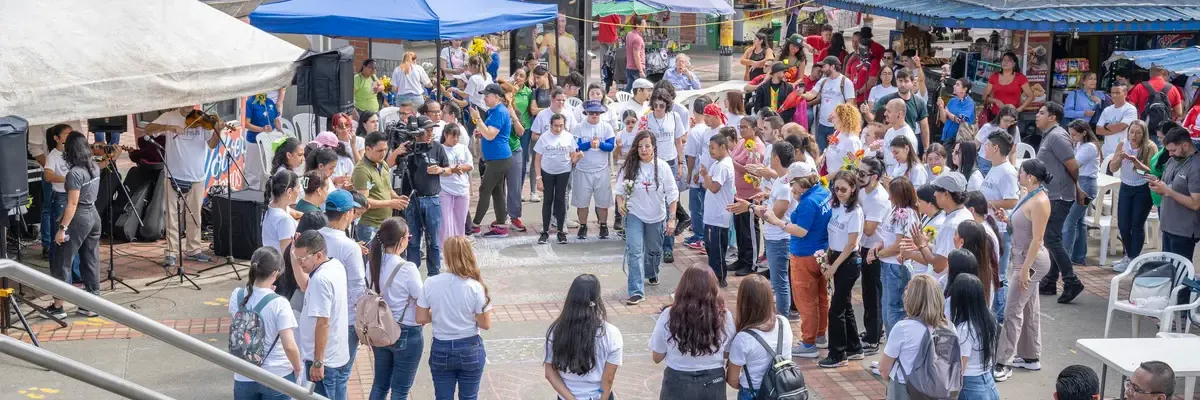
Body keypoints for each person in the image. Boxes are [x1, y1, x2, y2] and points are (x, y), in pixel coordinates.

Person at [757, 162, 831, 359]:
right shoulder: (823, 192)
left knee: (806, 300)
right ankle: (821, 335)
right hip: (822, 253)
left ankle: (808, 343)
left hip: (805, 255)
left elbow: (801, 230)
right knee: (822, 296)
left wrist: (777, 221)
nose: (791, 189)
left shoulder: (808, 202)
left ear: (802, 181)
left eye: (793, 184)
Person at [991, 159, 1052, 382]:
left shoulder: (1040, 201)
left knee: (1012, 310)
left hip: (1031, 261)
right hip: (1023, 258)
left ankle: (1004, 361)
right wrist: (1006, 220)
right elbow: (1022, 226)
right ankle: (1030, 356)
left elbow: (1037, 239)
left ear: (1032, 177)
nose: (1018, 175)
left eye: (1021, 172)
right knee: (1028, 308)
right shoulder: (1029, 196)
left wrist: (1025, 269)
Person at [416, 236, 493, 400]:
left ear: (446, 255)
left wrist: (440, 313)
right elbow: (485, 323)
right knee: (469, 397)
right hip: (470, 347)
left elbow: (421, 318)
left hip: (441, 347)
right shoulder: (475, 286)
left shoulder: (431, 283)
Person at [144, 107, 221, 268]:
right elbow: (148, 129)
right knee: (171, 216)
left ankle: (193, 250)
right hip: (173, 174)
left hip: (197, 175)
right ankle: (171, 252)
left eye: (191, 103)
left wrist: (218, 131)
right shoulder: (169, 116)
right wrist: (166, 128)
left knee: (194, 216)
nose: (188, 107)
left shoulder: (202, 119)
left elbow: (212, 145)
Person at [650, 267, 736, 400]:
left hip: (677, 381)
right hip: (714, 381)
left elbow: (657, 357)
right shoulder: (724, 315)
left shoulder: (669, 315)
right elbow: (728, 353)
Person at [229, 247, 302, 400]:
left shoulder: (237, 295)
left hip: (244, 373)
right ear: (276, 272)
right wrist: (298, 368)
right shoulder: (279, 303)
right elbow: (289, 346)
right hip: (277, 374)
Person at [617, 131, 679, 305]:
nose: (643, 150)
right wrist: (621, 204)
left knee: (654, 250)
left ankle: (651, 272)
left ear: (654, 148)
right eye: (640, 146)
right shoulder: (629, 166)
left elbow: (673, 195)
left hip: (656, 216)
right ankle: (636, 290)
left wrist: (672, 218)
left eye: (647, 146)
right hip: (635, 213)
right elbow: (619, 192)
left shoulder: (663, 167)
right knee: (635, 250)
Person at [365, 218, 424, 400]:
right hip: (406, 330)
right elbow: (421, 298)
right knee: (400, 391)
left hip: (380, 328)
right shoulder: (407, 268)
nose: (409, 239)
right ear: (401, 240)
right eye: (408, 236)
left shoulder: (372, 263)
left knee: (380, 385)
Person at [1033, 103, 1086, 304]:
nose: (1037, 116)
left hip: (1060, 196)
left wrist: (1076, 188)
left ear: (1053, 117)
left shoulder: (1057, 136)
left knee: (1051, 237)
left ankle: (1071, 281)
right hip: (1052, 194)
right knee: (1050, 238)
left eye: (1041, 113)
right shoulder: (1050, 135)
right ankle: (1050, 280)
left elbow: (1072, 165)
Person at [48, 132, 104, 317]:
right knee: (90, 258)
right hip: (94, 215)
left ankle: (58, 306)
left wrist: (62, 229)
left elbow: (72, 204)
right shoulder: (94, 167)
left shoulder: (74, 173)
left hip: (79, 217)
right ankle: (92, 302)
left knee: (63, 260)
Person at [544, 274, 623, 400]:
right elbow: (608, 379)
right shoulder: (611, 333)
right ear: (597, 300)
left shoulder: (556, 331)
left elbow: (550, 373)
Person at [293, 230, 351, 399]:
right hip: (337, 355)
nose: (299, 263)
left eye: (302, 259)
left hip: (323, 360)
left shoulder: (320, 279)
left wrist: (318, 362)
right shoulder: (336, 266)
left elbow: (323, 323)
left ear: (318, 256)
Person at [818, 170, 866, 368]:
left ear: (853, 188)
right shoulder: (838, 206)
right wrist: (828, 259)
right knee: (844, 305)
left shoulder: (855, 212)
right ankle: (854, 347)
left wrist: (834, 267)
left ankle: (838, 353)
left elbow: (850, 244)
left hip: (847, 262)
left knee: (835, 309)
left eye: (844, 189)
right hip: (836, 257)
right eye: (836, 188)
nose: (839, 192)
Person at [878, 274, 952, 397]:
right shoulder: (949, 327)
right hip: (937, 389)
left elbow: (883, 368)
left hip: (905, 388)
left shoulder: (903, 328)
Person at [319, 190, 368, 371]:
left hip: (317, 314)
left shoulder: (315, 237)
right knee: (340, 374)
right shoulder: (349, 247)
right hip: (344, 318)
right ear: (348, 213)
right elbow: (358, 287)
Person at [725, 275, 794, 399]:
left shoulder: (743, 338)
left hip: (753, 392)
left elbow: (732, 380)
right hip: (783, 389)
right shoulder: (784, 322)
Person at [872, 176, 920, 343]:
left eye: (891, 193)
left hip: (896, 267)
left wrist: (881, 253)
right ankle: (890, 353)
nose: (888, 197)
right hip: (888, 266)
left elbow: (900, 245)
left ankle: (897, 352)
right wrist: (879, 247)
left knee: (894, 311)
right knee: (887, 309)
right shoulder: (895, 210)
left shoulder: (906, 214)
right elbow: (888, 236)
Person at [906, 173, 972, 282]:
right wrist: (927, 244)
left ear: (946, 194)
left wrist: (921, 246)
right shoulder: (962, 213)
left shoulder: (951, 225)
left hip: (947, 283)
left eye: (937, 190)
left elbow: (938, 266)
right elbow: (945, 250)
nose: (935, 194)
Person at [470, 83, 515, 238]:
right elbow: (488, 133)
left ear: (496, 97)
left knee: (485, 191)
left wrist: (478, 120)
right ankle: (501, 224)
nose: (485, 98)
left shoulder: (499, 112)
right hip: (497, 158)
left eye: (487, 95)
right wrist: (480, 130)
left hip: (499, 158)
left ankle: (475, 225)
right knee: (497, 192)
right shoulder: (494, 111)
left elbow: (490, 135)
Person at [854, 156, 890, 351]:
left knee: (873, 294)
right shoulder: (865, 191)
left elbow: (868, 229)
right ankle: (872, 330)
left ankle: (874, 337)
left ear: (874, 177)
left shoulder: (878, 198)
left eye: (862, 174)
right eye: (857, 171)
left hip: (875, 249)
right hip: (867, 247)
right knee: (868, 292)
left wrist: (855, 212)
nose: (857, 177)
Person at [758, 142, 797, 317]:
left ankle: (782, 319)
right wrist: (766, 196)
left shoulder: (785, 186)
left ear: (777, 158)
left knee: (780, 283)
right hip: (774, 237)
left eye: (771, 156)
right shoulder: (782, 180)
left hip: (779, 239)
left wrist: (752, 208)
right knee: (779, 282)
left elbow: (775, 217)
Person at [948, 274, 1002, 400]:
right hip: (989, 383)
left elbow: (961, 367)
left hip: (970, 387)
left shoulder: (965, 329)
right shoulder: (990, 319)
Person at [1149, 127, 1200, 259]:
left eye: (1173, 150)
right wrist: (1158, 184)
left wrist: (1166, 190)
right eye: (1168, 150)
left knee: (1179, 273)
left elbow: (1195, 203)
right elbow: (1169, 185)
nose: (1170, 154)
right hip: (1167, 225)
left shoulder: (1196, 166)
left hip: (1184, 231)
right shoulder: (1173, 159)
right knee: (1168, 271)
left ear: (1185, 145)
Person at [40, 125, 81, 287]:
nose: (70, 136)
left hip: (75, 196)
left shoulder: (73, 153)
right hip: (62, 198)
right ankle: (59, 275)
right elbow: (48, 175)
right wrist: (68, 180)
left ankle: (76, 273)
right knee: (60, 237)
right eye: (66, 134)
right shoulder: (53, 155)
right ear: (56, 138)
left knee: (75, 237)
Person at [353, 132, 410, 242]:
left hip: (385, 223)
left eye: (385, 149)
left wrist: (397, 198)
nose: (383, 153)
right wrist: (390, 203)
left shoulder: (382, 164)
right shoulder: (362, 170)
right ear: (368, 149)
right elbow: (363, 202)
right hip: (369, 225)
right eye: (379, 150)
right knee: (372, 259)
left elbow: (388, 189)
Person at [573, 100, 617, 240]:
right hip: (583, 169)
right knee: (582, 201)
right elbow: (576, 145)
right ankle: (583, 226)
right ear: (586, 113)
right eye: (591, 112)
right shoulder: (579, 127)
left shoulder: (607, 127)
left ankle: (603, 225)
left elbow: (611, 146)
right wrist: (589, 144)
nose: (594, 115)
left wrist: (600, 144)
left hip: (601, 169)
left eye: (597, 113)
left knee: (603, 201)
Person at [729, 117, 767, 277]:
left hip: (751, 194)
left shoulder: (757, 146)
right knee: (739, 227)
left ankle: (751, 263)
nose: (741, 130)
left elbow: (752, 169)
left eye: (744, 127)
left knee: (749, 229)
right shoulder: (741, 142)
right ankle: (742, 258)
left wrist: (732, 163)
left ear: (753, 129)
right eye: (740, 127)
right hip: (738, 193)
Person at [534, 114, 580, 244]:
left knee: (561, 200)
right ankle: (545, 231)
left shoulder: (569, 137)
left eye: (561, 126)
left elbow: (573, 157)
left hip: (564, 171)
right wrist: (538, 178)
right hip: (547, 171)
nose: (558, 129)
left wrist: (579, 157)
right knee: (548, 200)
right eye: (556, 126)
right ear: (551, 125)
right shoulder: (544, 137)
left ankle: (561, 231)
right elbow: (537, 160)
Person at [684, 98, 722, 251]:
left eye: (708, 116)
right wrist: (697, 172)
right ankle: (705, 239)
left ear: (716, 117)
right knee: (703, 207)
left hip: (715, 177)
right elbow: (702, 155)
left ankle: (709, 240)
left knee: (710, 209)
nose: (705, 119)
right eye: (704, 115)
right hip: (703, 174)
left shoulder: (721, 131)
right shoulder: (707, 131)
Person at [701, 134, 736, 287]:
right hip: (712, 215)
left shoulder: (723, 165)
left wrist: (705, 176)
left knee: (716, 250)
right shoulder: (717, 163)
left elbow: (714, 187)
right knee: (710, 247)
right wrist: (706, 178)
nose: (710, 151)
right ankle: (714, 276)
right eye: (709, 147)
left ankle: (719, 278)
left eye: (712, 147)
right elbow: (707, 185)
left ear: (723, 147)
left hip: (719, 215)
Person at [867, 69, 931, 151]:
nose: (903, 84)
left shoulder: (919, 103)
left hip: (908, 144)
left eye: (906, 81)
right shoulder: (886, 100)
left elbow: (924, 127)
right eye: (900, 81)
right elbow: (873, 120)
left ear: (912, 83)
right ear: (896, 82)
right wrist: (866, 113)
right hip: (888, 143)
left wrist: (926, 149)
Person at [802, 56, 856, 150]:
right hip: (822, 125)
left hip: (837, 127)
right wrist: (801, 93)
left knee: (834, 152)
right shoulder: (823, 81)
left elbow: (850, 103)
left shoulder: (846, 82)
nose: (822, 69)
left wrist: (837, 114)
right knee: (821, 152)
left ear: (832, 66)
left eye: (824, 66)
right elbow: (811, 94)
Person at [436, 123, 473, 249]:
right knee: (445, 222)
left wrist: (459, 168)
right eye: (453, 136)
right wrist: (452, 170)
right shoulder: (439, 148)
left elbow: (470, 165)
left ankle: (459, 247)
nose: (455, 139)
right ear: (445, 135)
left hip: (461, 188)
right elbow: (438, 168)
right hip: (445, 188)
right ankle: (443, 248)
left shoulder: (462, 148)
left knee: (460, 221)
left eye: (457, 137)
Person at [1128, 66, 1185, 138]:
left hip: (1144, 130)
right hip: (1163, 131)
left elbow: (1130, 109)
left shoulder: (1140, 87)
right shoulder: (1172, 89)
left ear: (1150, 71)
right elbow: (1179, 113)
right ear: (1164, 72)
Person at [981, 52, 1034, 121]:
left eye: (1008, 60)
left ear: (1014, 64)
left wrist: (1020, 109)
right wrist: (995, 100)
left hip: (1012, 116)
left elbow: (1031, 96)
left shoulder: (1020, 78)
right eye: (1003, 60)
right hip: (996, 115)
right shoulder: (994, 76)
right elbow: (984, 97)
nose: (1005, 62)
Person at [244, 92, 281, 190]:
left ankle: (265, 193)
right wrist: (262, 129)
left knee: (268, 170)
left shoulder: (269, 102)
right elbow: (246, 124)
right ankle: (252, 194)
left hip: (269, 142)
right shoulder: (250, 102)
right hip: (255, 142)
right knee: (253, 171)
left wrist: (281, 131)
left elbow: (276, 120)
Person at [1096, 83, 1139, 158]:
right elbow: (1098, 130)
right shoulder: (1107, 110)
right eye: (1112, 93)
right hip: (1106, 153)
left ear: (1125, 93)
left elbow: (1121, 127)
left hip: (1124, 153)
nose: (1114, 95)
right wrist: (1115, 127)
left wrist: (1106, 126)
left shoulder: (1130, 109)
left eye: (1118, 93)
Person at [976, 105, 1021, 176]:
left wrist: (1013, 167)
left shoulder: (1015, 130)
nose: (1008, 124)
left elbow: (1013, 151)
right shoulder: (988, 127)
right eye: (1006, 120)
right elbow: (976, 144)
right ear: (1000, 117)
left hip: (1002, 163)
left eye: (1012, 121)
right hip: (985, 161)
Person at [821, 103, 864, 175]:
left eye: (834, 117)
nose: (832, 120)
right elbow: (830, 148)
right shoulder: (837, 132)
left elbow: (852, 167)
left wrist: (830, 177)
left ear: (843, 119)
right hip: (829, 176)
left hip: (841, 180)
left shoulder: (852, 141)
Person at [262, 171, 300, 254]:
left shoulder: (271, 205)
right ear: (289, 192)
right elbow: (288, 255)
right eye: (298, 188)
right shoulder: (285, 220)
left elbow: (296, 214)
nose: (299, 191)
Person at [880, 98, 920, 171]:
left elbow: (908, 166)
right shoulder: (889, 131)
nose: (885, 113)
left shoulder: (907, 137)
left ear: (899, 114)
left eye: (889, 111)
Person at [938, 78, 977, 143]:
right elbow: (944, 120)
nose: (954, 86)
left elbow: (960, 120)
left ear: (964, 89)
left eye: (957, 85)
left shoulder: (969, 103)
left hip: (958, 141)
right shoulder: (952, 100)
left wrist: (948, 113)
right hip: (945, 138)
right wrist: (941, 107)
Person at [624, 15, 647, 92]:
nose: (645, 26)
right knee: (639, 90)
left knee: (629, 88)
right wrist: (641, 71)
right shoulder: (637, 38)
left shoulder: (629, 34)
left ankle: (624, 101)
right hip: (636, 68)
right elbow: (636, 56)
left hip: (629, 67)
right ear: (637, 25)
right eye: (643, 24)